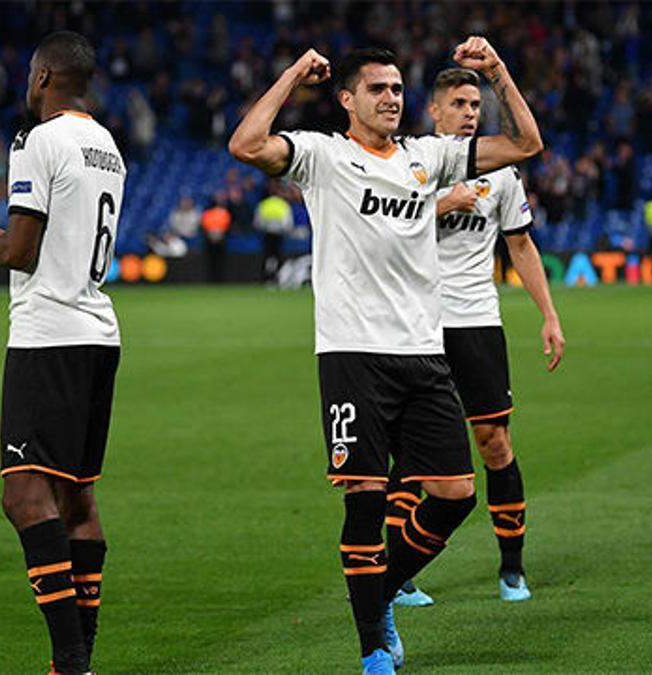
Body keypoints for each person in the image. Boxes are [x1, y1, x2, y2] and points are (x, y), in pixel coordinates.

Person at [229, 38, 543, 674]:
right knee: (367, 499)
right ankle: (373, 644)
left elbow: (525, 146)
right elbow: (245, 144)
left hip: (424, 352)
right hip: (352, 355)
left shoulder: (429, 157)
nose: (393, 98)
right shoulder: (322, 155)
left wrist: (500, 74)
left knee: (455, 494)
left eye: (398, 88)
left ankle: (378, 593)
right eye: (378, 88)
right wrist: (293, 74)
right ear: (346, 100)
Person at [0, 31, 123, 675]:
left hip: (48, 336)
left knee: (25, 497)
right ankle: (80, 656)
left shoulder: (38, 141)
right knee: (78, 500)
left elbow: (21, 254)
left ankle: (69, 660)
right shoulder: (107, 145)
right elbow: (49, 239)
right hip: (97, 332)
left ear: (41, 78)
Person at [388, 68, 566, 607]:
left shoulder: (501, 173)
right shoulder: (406, 163)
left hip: (477, 322)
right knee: (415, 454)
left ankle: (511, 568)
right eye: (459, 103)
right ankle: (400, 574)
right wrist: (439, 204)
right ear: (434, 111)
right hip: (415, 323)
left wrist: (549, 315)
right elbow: (381, 231)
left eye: (475, 103)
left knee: (494, 443)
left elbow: (521, 247)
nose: (470, 112)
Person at [254, 180, 294, 283]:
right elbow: (288, 223)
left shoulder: (264, 204)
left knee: (267, 256)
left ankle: (265, 278)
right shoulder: (283, 205)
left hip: (267, 234)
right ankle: (278, 277)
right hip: (279, 234)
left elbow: (258, 222)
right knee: (278, 256)